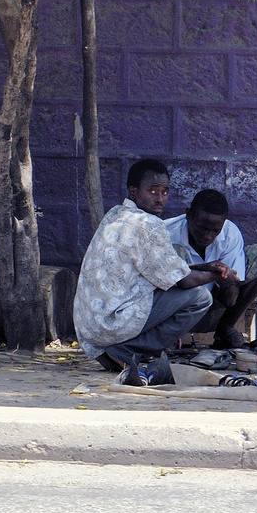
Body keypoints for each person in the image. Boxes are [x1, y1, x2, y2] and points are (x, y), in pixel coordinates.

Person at [74, 158, 234, 384]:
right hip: (111, 322)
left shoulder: (116, 214)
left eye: (165, 192)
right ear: (133, 191)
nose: (160, 199)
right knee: (200, 298)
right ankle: (126, 350)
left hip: (91, 327)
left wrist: (206, 267)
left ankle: (120, 350)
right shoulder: (148, 224)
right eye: (153, 191)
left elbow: (164, 268)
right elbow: (184, 282)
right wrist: (219, 275)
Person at [164, 188, 257, 350]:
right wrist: (213, 273)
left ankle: (225, 329)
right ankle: (168, 335)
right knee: (177, 254)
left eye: (214, 231)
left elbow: (230, 299)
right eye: (202, 228)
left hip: (214, 310)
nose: (208, 236)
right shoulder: (165, 233)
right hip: (175, 311)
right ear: (189, 215)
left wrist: (227, 281)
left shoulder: (229, 234)